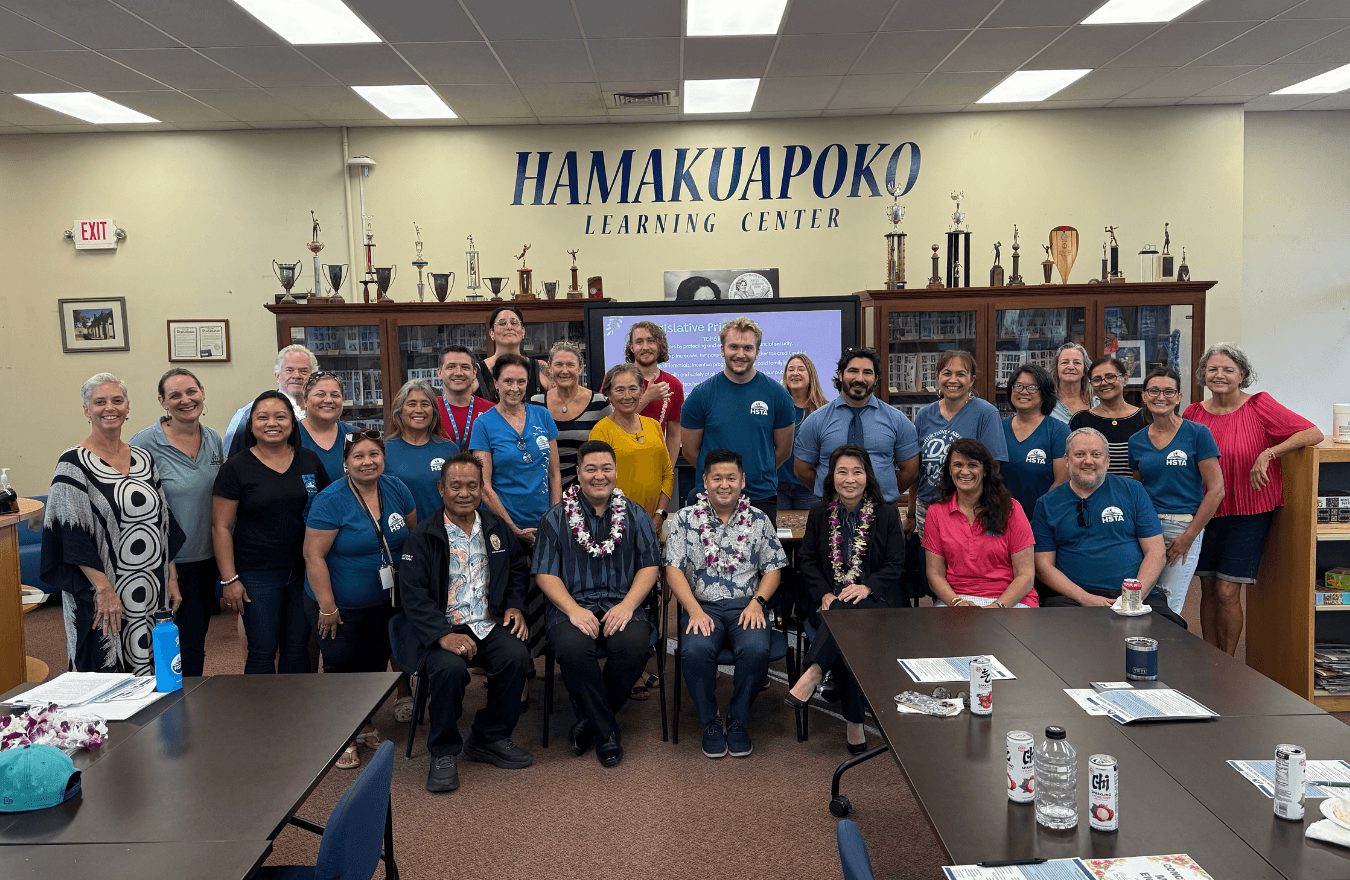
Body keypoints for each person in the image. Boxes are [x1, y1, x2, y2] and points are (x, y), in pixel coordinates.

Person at [393, 452, 534, 793]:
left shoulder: (497, 528)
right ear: (441, 489)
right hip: (442, 629)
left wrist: (516, 606)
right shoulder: (424, 535)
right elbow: (412, 595)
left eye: (472, 485)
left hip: (488, 622)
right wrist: (442, 636)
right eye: (455, 485)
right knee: (448, 670)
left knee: (516, 658)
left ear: (481, 489)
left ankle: (489, 737)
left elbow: (517, 569)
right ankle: (443, 751)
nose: (464, 493)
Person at [1183, 343, 1323, 654]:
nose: (1219, 375)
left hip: (1250, 510)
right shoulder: (1193, 413)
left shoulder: (1259, 405)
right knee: (1206, 587)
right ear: (1203, 375)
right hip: (1206, 510)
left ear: (1243, 375)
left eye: (1228, 370)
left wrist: (1269, 453)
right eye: (1212, 369)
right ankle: (1210, 656)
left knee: (1227, 590)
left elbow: (1312, 433)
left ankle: (1229, 661)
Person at [42, 373, 184, 675]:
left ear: (128, 407)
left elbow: (164, 524)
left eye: (117, 401)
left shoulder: (144, 459)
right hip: (103, 589)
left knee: (149, 660)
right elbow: (71, 536)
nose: (110, 407)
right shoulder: (73, 464)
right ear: (86, 410)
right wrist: (104, 590)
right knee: (105, 665)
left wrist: (170, 577)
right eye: (100, 402)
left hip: (150, 586)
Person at [533, 441, 660, 768]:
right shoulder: (555, 518)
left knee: (635, 645)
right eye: (591, 469)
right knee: (574, 649)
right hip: (571, 607)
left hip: (622, 604)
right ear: (578, 474)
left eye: (606, 468)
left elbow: (649, 566)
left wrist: (628, 606)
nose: (599, 476)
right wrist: (573, 610)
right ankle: (605, 732)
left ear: (616, 472)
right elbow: (545, 574)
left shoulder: (635, 514)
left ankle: (589, 720)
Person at [302, 431, 417, 769]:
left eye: (374, 454)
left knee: (373, 665)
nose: (367, 462)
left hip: (386, 600)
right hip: (339, 603)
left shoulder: (396, 488)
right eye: (358, 456)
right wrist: (327, 605)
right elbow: (313, 556)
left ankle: (365, 725)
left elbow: (411, 535)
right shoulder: (331, 499)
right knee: (342, 667)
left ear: (383, 457)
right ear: (346, 463)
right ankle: (344, 735)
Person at [665, 449, 787, 759]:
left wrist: (758, 602)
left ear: (742, 481)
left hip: (747, 604)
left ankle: (737, 720)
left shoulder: (758, 519)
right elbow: (672, 569)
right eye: (716, 478)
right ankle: (710, 721)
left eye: (731, 478)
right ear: (704, 481)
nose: (724, 484)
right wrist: (692, 609)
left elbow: (773, 568)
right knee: (694, 651)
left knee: (757, 649)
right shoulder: (684, 518)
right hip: (701, 605)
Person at [784, 445, 905, 754]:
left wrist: (867, 588)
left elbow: (895, 564)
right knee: (846, 628)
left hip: (874, 603)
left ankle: (813, 672)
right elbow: (807, 560)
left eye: (857, 472)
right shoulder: (819, 511)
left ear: (868, 476)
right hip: (828, 603)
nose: (849, 479)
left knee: (848, 618)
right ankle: (854, 724)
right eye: (842, 472)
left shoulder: (887, 512)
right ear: (831, 476)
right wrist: (825, 593)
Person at [213, 390, 331, 673]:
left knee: (297, 648)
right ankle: (262, 716)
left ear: (293, 422)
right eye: (262, 417)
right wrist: (229, 579)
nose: (272, 423)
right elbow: (221, 526)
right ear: (251, 425)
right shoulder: (236, 467)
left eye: (281, 416)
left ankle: (296, 714)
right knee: (263, 650)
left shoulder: (309, 460)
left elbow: (327, 512)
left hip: (302, 572)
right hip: (257, 575)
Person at [1031, 428, 1182, 625]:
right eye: (1079, 454)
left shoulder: (1133, 491)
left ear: (1107, 460)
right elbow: (1043, 566)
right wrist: (1085, 598)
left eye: (1096, 454)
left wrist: (1132, 598)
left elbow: (1156, 552)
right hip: (1071, 600)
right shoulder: (1046, 504)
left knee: (1170, 634)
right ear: (1067, 460)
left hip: (1135, 596)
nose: (1088, 461)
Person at [130, 368, 224, 678]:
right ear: (163, 402)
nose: (186, 400)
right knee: (159, 644)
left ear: (202, 393)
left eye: (191, 392)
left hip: (205, 559)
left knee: (194, 642)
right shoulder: (144, 443)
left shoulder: (213, 438)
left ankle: (190, 708)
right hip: (161, 564)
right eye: (175, 395)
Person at [470, 352, 561, 661]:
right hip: (503, 527)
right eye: (507, 381)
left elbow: (554, 472)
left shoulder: (542, 416)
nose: (514, 387)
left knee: (547, 593)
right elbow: (484, 485)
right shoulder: (484, 424)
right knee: (511, 596)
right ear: (495, 383)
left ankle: (547, 660)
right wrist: (513, 529)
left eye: (521, 381)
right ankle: (519, 669)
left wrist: (554, 517)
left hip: (545, 524)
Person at [1130, 366, 1225, 617]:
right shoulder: (1136, 440)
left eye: (1168, 391)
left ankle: (1166, 654)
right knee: (1140, 594)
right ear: (1144, 395)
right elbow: (1139, 488)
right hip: (1146, 527)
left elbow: (1216, 490)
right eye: (1154, 391)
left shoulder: (1197, 434)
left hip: (1181, 528)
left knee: (1169, 602)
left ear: (1179, 397)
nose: (1161, 397)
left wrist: (1189, 537)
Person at [681, 317, 795, 524]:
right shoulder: (700, 396)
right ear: (722, 350)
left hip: (760, 496)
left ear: (757, 352)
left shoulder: (778, 396)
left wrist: (757, 469)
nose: (740, 354)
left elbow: (783, 451)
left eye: (747, 348)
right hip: (712, 498)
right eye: (733, 347)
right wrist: (721, 479)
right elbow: (690, 452)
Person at [794, 347, 920, 505]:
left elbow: (911, 470)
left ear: (875, 379)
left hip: (882, 512)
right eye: (853, 371)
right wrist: (829, 494)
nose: (860, 378)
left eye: (867, 372)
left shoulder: (897, 420)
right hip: (832, 512)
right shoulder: (816, 421)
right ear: (840, 375)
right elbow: (802, 470)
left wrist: (882, 494)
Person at [923, 439, 1037, 608]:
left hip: (1010, 601)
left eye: (973, 465)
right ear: (949, 469)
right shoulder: (936, 512)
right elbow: (934, 574)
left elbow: (1026, 575)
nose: (965, 471)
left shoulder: (1011, 508)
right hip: (957, 600)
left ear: (985, 470)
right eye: (958, 465)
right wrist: (957, 603)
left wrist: (997, 607)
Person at [912, 350, 1007, 533]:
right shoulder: (924, 415)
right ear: (938, 378)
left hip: (969, 510)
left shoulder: (986, 414)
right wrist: (910, 513)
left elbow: (993, 467)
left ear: (971, 380)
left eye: (961, 374)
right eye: (947, 373)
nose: (953, 380)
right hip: (927, 509)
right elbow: (917, 469)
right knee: (931, 562)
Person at [589, 364, 673, 524]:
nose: (627, 396)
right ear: (609, 394)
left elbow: (667, 474)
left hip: (653, 524)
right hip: (615, 527)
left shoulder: (654, 425)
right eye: (619, 390)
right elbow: (595, 484)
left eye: (633, 389)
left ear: (642, 391)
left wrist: (659, 515)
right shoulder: (601, 432)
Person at [531, 341, 610, 490]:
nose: (564, 370)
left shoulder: (600, 404)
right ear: (550, 368)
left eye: (570, 365)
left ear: (580, 368)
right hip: (543, 489)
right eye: (559, 364)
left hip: (588, 490)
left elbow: (610, 449)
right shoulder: (536, 404)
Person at [222, 344, 317, 457]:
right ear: (277, 376)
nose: (296, 375)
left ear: (313, 377)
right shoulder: (248, 414)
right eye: (289, 370)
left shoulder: (319, 414)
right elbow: (229, 457)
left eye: (304, 371)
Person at [1001, 363, 1068, 519]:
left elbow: (1061, 483)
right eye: (1018, 386)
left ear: (1044, 393)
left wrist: (1038, 519)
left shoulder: (1058, 430)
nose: (1024, 392)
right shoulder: (998, 428)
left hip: (1043, 520)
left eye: (1032, 387)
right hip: (1001, 519)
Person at [383, 378, 455, 522]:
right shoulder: (383, 451)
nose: (419, 410)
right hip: (401, 538)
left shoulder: (449, 449)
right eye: (411, 404)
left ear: (433, 411)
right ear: (399, 411)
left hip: (442, 535)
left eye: (425, 404)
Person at [624, 321, 683, 480]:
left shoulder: (674, 384)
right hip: (620, 466)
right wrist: (647, 398)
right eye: (639, 342)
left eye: (650, 341)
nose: (645, 347)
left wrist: (668, 472)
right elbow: (610, 423)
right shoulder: (616, 379)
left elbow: (674, 433)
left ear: (659, 345)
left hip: (655, 467)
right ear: (631, 347)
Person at [1069, 357, 1145, 477]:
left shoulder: (1144, 418)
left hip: (1134, 493)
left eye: (1110, 376)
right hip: (1091, 494)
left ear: (1124, 379)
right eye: (1096, 379)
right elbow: (1071, 465)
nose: (1104, 383)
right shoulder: (1081, 420)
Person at [777, 353, 828, 510]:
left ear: (811, 375)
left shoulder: (825, 410)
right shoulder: (776, 408)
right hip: (779, 487)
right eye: (790, 369)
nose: (795, 373)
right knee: (779, 533)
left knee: (811, 533)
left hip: (810, 488)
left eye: (801, 369)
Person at [474, 306, 552, 403]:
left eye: (514, 322)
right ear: (491, 333)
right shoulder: (476, 371)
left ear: (523, 331)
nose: (509, 327)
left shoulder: (540, 368)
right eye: (502, 323)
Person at [298, 371, 359, 483]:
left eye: (335, 395)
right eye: (320, 394)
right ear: (305, 400)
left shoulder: (356, 436)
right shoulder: (290, 435)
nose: (328, 400)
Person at [435, 345, 494, 452]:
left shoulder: (491, 410)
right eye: (451, 367)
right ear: (439, 373)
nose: (458, 373)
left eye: (465, 367)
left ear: (474, 373)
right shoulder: (429, 409)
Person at [1050, 342, 1093, 424]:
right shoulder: (1045, 404)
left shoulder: (1097, 403)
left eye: (1077, 363)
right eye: (1064, 362)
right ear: (1056, 369)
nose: (1070, 367)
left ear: (1084, 370)